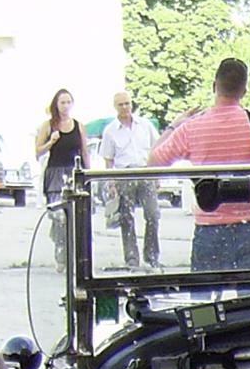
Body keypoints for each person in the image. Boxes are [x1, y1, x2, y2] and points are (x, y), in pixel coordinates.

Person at [150, 57, 250, 271]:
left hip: (210, 226)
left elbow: (153, 161)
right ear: (244, 91)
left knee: (205, 298)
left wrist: (174, 125)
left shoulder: (191, 128)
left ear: (214, 86)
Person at [97, 91, 160, 271]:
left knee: (153, 215)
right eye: (120, 105)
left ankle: (152, 257)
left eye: (127, 104)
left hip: (145, 172)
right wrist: (111, 183)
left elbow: (156, 148)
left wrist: (157, 176)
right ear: (115, 107)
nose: (125, 108)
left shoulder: (145, 125)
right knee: (126, 218)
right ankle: (132, 259)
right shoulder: (110, 131)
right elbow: (108, 159)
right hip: (124, 174)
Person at [35, 89, 88, 270]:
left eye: (68, 102)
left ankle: (75, 256)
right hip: (55, 173)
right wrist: (51, 142)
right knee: (58, 216)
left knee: (75, 217)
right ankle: (61, 253)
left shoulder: (79, 125)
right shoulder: (48, 125)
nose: (66, 106)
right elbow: (38, 151)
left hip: (73, 172)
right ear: (56, 105)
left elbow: (84, 151)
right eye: (62, 102)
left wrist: (88, 175)